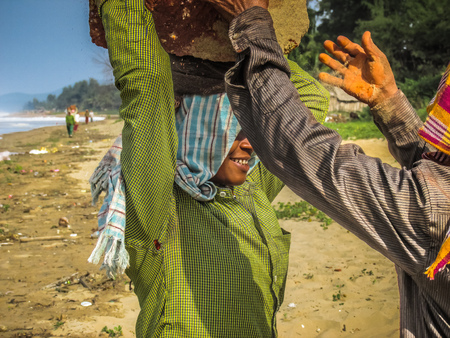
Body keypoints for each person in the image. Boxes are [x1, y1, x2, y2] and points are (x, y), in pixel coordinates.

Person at [88, 0, 329, 337]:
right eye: (234, 129)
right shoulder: (158, 210)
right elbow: (146, 91)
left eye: (251, 129)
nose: (250, 143)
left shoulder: (248, 192)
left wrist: (249, 33)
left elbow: (309, 99)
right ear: (194, 131)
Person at [208, 0, 450, 336]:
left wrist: (252, 25)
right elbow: (435, 179)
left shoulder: (435, 217)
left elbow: (304, 149)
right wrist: (389, 103)